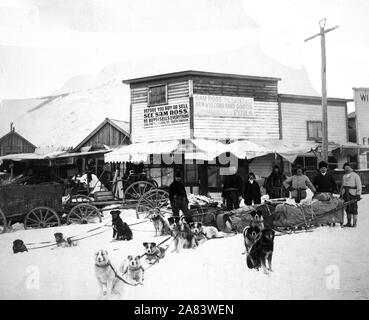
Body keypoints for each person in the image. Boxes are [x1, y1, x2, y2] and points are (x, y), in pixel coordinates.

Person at [340, 162, 362, 228]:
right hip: (345, 194)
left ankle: (354, 223)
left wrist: (358, 194)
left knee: (354, 208)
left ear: (351, 168)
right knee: (347, 208)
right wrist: (341, 194)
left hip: (353, 194)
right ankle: (349, 222)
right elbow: (342, 186)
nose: (347, 169)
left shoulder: (355, 175)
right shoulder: (344, 176)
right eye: (345, 168)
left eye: (348, 167)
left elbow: (359, 185)